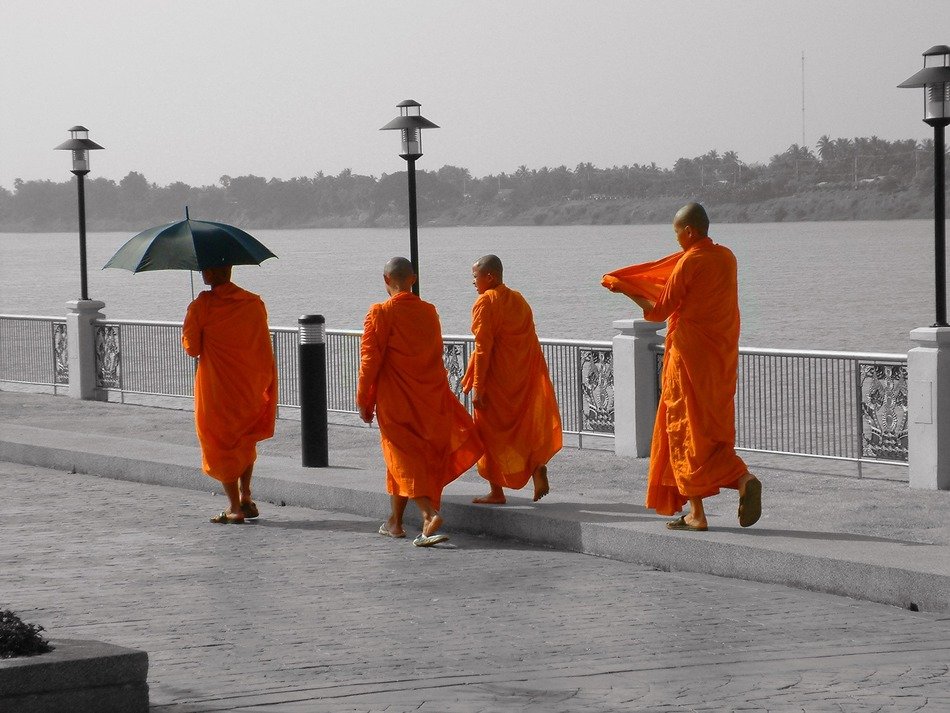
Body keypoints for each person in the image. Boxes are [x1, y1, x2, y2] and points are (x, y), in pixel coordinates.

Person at [603, 202, 762, 531]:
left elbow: (659, 311)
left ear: (689, 230)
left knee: (684, 430)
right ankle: (743, 478)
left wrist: (626, 289)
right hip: (719, 358)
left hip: (688, 356)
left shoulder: (689, 262)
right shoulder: (726, 257)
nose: (675, 238)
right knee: (712, 431)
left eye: (676, 231)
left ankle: (697, 514)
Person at [357, 257, 483, 546]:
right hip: (430, 397)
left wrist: (364, 399)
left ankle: (428, 515)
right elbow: (435, 352)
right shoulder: (429, 312)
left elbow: (369, 361)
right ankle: (395, 522)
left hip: (396, 400)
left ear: (386, 279)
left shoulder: (380, 312)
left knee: (402, 457)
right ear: (412, 279)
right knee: (400, 460)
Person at [462, 254, 562, 504]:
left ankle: (497, 492)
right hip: (520, 378)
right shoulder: (518, 300)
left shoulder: (486, 303)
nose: (473, 283)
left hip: (495, 381)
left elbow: (483, 347)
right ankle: (535, 465)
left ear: (490, 277)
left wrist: (478, 386)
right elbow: (530, 341)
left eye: (475, 277)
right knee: (519, 429)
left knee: (488, 433)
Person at [182, 265, 278, 524]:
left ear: (211, 273)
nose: (203, 272)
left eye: (204, 268)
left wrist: (190, 320)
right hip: (249, 383)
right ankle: (246, 496)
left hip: (217, 387)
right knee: (245, 439)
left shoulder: (201, 306)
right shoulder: (253, 302)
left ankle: (234, 507)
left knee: (220, 441)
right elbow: (260, 343)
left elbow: (192, 348)